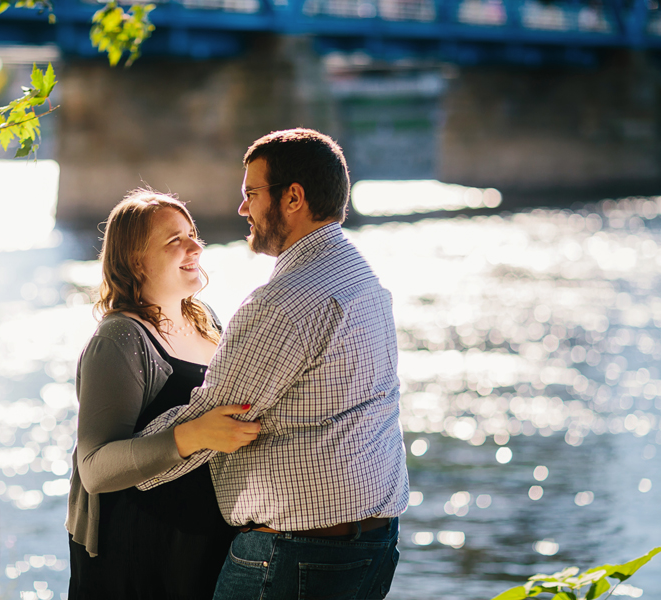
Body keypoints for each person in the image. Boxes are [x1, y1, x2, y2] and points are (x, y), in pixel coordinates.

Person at [136, 128, 410, 599]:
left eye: (251, 194)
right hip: (373, 544)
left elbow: (215, 419)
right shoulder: (359, 275)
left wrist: (128, 460)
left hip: (295, 556)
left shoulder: (282, 304)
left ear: (294, 198)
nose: (243, 208)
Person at [65, 190, 262, 600]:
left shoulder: (206, 321)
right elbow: (95, 468)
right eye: (176, 240)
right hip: (141, 555)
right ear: (135, 259)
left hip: (206, 542)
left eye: (192, 234)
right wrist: (193, 435)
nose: (196, 246)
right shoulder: (120, 338)